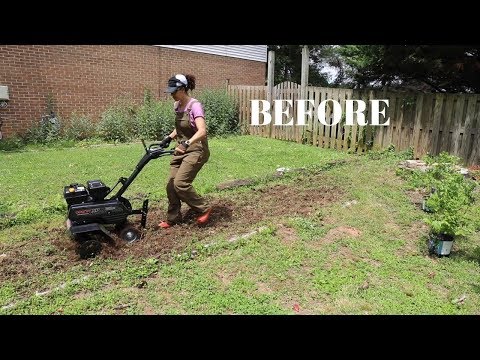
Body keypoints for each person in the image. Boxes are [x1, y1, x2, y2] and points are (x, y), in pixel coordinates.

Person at [157, 74, 211, 228]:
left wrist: (186, 144)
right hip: (181, 149)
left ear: (182, 89)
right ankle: (173, 218)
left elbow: (201, 131)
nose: (172, 95)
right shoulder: (177, 105)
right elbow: (181, 126)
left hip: (196, 149)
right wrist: (169, 137)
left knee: (180, 183)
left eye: (174, 91)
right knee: (171, 185)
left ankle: (204, 208)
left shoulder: (194, 106)